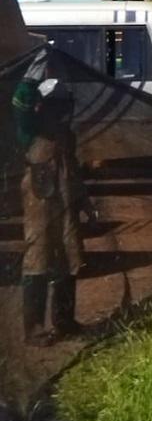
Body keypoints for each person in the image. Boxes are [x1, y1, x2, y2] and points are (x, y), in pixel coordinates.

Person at [13, 54, 91, 345]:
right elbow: (20, 104)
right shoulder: (29, 129)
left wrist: (84, 201)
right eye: (57, 104)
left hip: (66, 196)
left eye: (65, 104)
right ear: (42, 106)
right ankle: (33, 329)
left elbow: (72, 168)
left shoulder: (65, 135)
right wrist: (31, 80)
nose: (63, 110)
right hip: (39, 196)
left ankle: (64, 320)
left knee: (69, 257)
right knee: (38, 257)